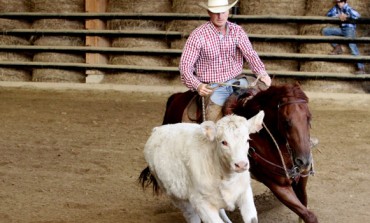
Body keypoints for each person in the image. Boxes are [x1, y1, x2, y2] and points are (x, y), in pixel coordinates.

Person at [179, 0, 272, 121]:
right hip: (213, 85)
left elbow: (250, 54)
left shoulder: (237, 31)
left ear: (228, 11)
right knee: (213, 122)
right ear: (209, 12)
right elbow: (185, 66)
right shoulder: (198, 35)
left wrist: (261, 72)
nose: (220, 16)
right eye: (216, 12)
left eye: (223, 12)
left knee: (267, 100)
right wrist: (198, 85)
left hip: (238, 80)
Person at [322, 0, 366, 75]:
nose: (339, 4)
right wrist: (338, 16)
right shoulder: (336, 8)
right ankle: (338, 47)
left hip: (349, 30)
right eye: (337, 2)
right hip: (342, 29)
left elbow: (357, 15)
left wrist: (347, 16)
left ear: (344, 2)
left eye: (340, 2)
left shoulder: (348, 8)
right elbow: (328, 14)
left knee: (353, 47)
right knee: (326, 31)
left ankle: (361, 68)